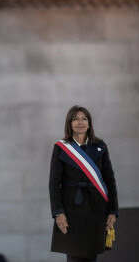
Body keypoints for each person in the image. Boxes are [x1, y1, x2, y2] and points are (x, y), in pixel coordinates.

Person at [49, 105, 118, 262]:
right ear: (69, 123)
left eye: (84, 118)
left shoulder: (100, 146)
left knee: (91, 256)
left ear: (89, 123)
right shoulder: (62, 148)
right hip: (71, 209)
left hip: (96, 208)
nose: (80, 122)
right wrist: (58, 212)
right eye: (76, 119)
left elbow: (110, 180)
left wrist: (113, 210)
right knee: (74, 255)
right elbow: (54, 183)